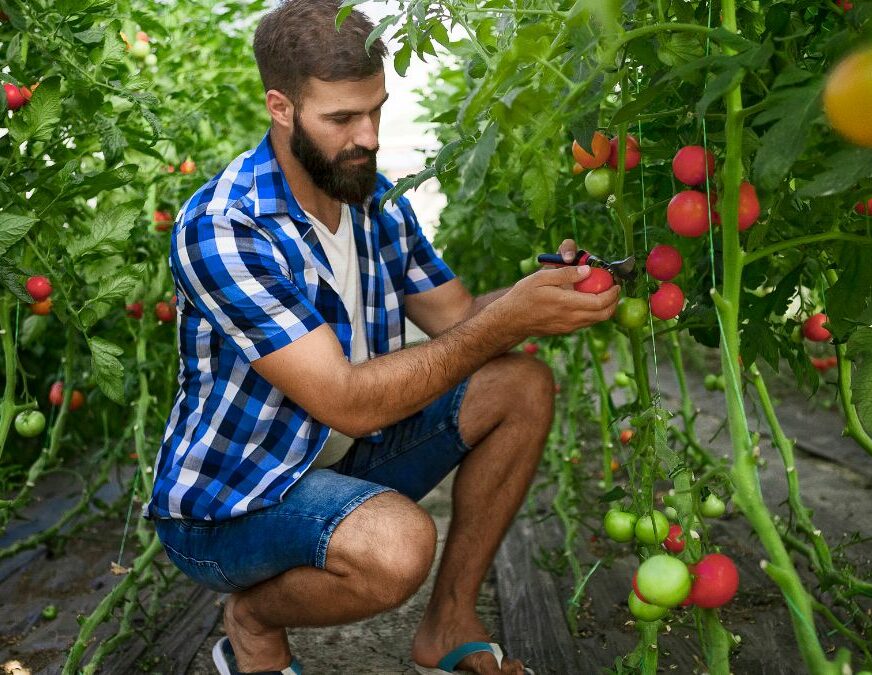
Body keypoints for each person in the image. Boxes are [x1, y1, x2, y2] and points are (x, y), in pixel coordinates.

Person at [142, 1, 620, 674]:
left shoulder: (372, 198)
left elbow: (458, 318)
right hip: (236, 501)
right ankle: (252, 620)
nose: (367, 136)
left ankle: (450, 618)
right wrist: (506, 319)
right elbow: (347, 401)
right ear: (280, 107)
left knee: (521, 382)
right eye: (341, 118)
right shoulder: (226, 226)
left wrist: (537, 294)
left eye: (377, 110)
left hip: (340, 460)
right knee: (397, 547)